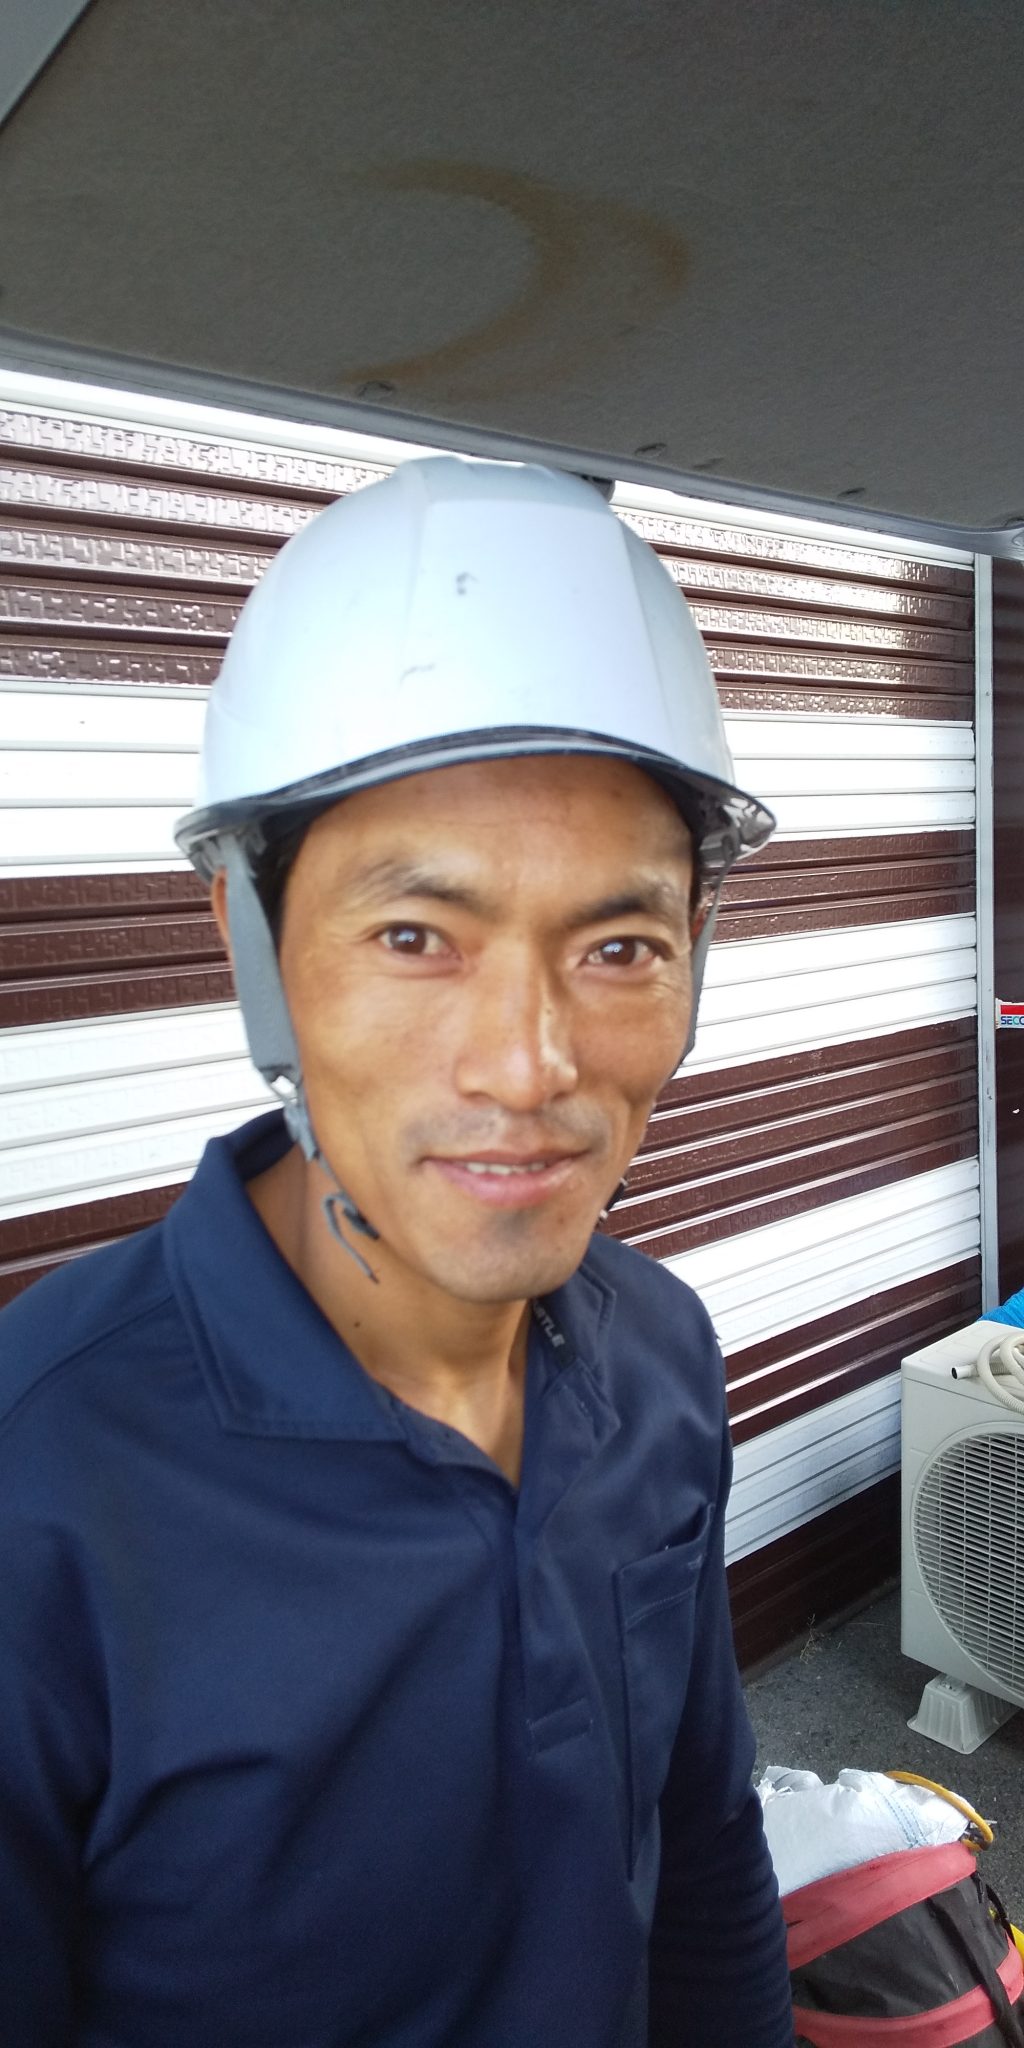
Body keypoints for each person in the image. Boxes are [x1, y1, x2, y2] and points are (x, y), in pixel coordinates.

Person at [0, 459, 794, 2046]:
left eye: (621, 945)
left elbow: (704, 1850)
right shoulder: (40, 1481)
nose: (529, 1066)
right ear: (254, 950)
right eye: (415, 937)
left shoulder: (664, 1351)